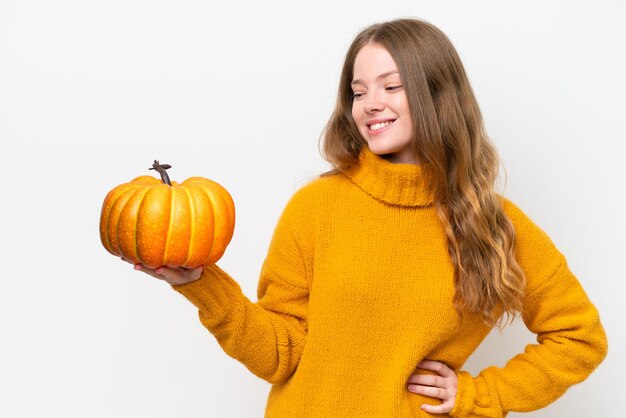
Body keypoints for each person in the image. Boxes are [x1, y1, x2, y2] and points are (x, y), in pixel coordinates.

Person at [130, 18, 608, 417]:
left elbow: (580, 337)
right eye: (358, 92)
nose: (370, 104)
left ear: (438, 95)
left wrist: (480, 395)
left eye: (391, 86)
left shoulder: (494, 224)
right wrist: (198, 282)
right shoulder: (317, 207)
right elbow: (282, 355)